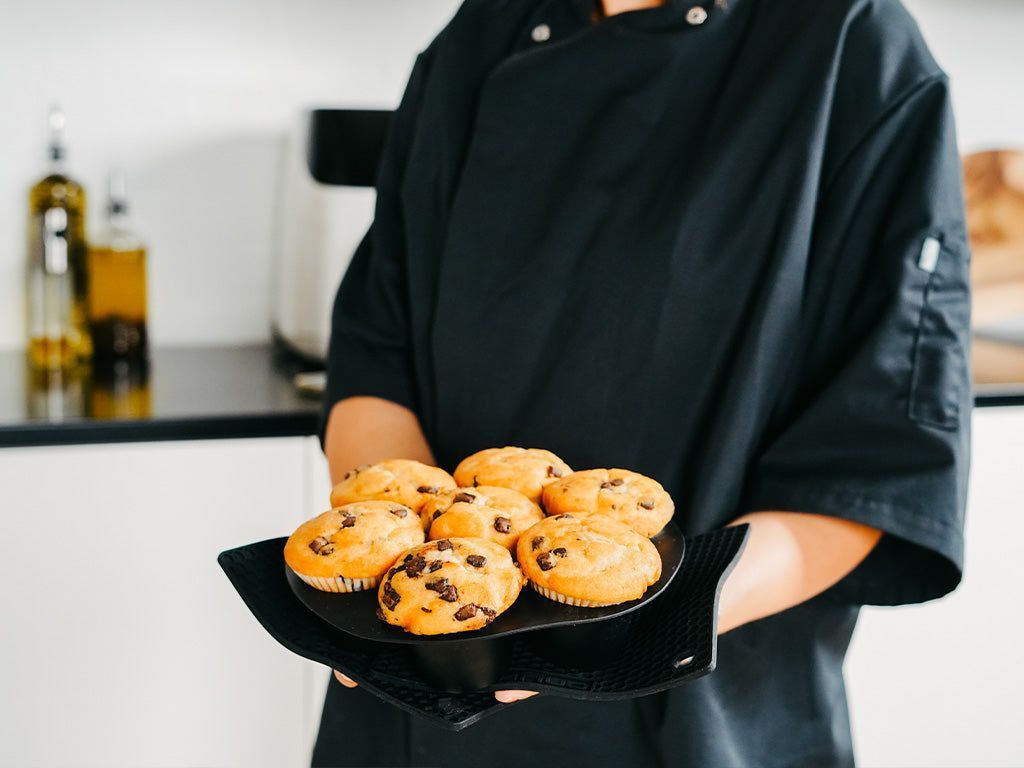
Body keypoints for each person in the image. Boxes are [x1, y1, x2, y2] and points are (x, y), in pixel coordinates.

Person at [313, 0, 971, 765]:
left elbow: (874, 460)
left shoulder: (852, 46)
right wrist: (389, 575)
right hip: (427, 694)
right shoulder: (481, 34)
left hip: (704, 702)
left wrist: (653, 620)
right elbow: (374, 347)